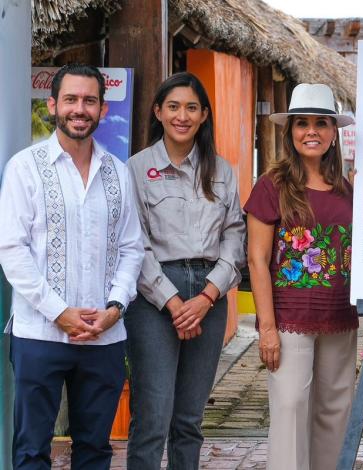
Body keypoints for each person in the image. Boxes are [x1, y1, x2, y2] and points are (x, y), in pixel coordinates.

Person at [0, 64, 144, 469]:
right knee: (31, 450)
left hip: (104, 336)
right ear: (52, 105)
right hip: (39, 333)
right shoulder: (24, 168)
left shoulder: (118, 172)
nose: (80, 109)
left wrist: (116, 307)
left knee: (95, 450)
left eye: (89, 101)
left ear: (101, 109)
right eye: (71, 99)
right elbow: (12, 249)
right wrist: (59, 313)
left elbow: (132, 248)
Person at [124, 72, 246, 469]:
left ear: (204, 115)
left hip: (209, 296)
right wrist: (174, 301)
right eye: (173, 106)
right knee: (152, 417)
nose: (182, 115)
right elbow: (133, 244)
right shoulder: (137, 170)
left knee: (190, 420)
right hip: (154, 297)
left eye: (192, 107)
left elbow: (234, 237)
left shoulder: (222, 171)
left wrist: (208, 295)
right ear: (158, 111)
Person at [244, 83, 356, 470]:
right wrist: (267, 328)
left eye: (321, 123)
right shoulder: (271, 186)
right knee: (290, 410)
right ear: (290, 131)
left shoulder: (348, 190)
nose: (312, 131)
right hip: (289, 322)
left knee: (334, 411)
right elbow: (257, 260)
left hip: (340, 319)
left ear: (333, 132)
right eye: (302, 123)